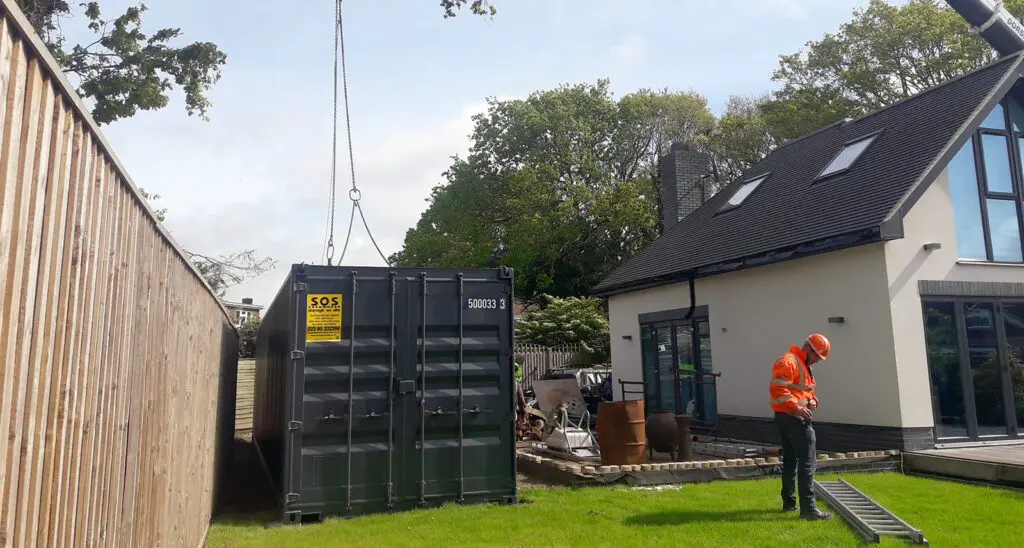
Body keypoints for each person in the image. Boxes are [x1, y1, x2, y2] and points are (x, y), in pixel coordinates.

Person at [769, 333, 832, 520]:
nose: (818, 361)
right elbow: (777, 390)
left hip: (786, 417)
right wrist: (796, 408)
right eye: (817, 357)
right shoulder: (789, 362)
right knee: (807, 461)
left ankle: (789, 503)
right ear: (809, 349)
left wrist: (812, 401)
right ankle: (809, 509)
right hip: (793, 419)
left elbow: (804, 392)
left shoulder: (802, 365)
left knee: (790, 461)